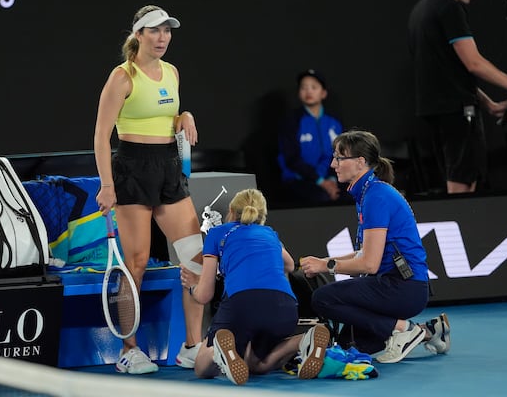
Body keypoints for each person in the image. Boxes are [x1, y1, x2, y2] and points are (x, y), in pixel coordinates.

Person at [93, 5, 204, 374]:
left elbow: (164, 117)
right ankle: (129, 350)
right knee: (136, 264)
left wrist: (183, 117)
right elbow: (100, 136)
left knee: (196, 259)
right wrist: (107, 185)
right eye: (154, 31)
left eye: (167, 31)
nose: (162, 38)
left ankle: (192, 346)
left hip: (169, 169)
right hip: (132, 170)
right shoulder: (122, 77)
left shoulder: (171, 72)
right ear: (138, 35)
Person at [300, 129, 450, 364]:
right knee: (350, 344)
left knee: (323, 299)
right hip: (396, 285)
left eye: (339, 158)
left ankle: (404, 329)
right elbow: (364, 253)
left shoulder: (376, 196)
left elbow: (369, 264)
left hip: (402, 288)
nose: (332, 164)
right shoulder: (369, 192)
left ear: (360, 162)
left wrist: (325, 266)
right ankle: (429, 331)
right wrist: (324, 262)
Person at [180, 188, 331, 385]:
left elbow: (205, 295)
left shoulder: (217, 233)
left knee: (201, 367)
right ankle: (304, 340)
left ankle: (219, 352)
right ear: (262, 216)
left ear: (231, 211)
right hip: (285, 308)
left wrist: (192, 285)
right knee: (257, 366)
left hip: (242, 306)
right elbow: (291, 265)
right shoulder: (270, 234)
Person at [408, 0, 507, 194]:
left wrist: (489, 105)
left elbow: (448, 71)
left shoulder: (423, 8)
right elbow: (474, 63)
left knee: (457, 180)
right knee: (462, 186)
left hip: (439, 111)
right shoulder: (450, 8)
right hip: (457, 111)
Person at [277, 69, 346, 204]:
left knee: (355, 194)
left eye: (313, 87)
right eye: (304, 87)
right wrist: (320, 181)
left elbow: (341, 155)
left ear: (323, 93)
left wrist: (331, 180)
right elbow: (292, 158)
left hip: (331, 178)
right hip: (299, 179)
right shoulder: (291, 121)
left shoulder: (334, 123)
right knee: (321, 197)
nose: (308, 91)